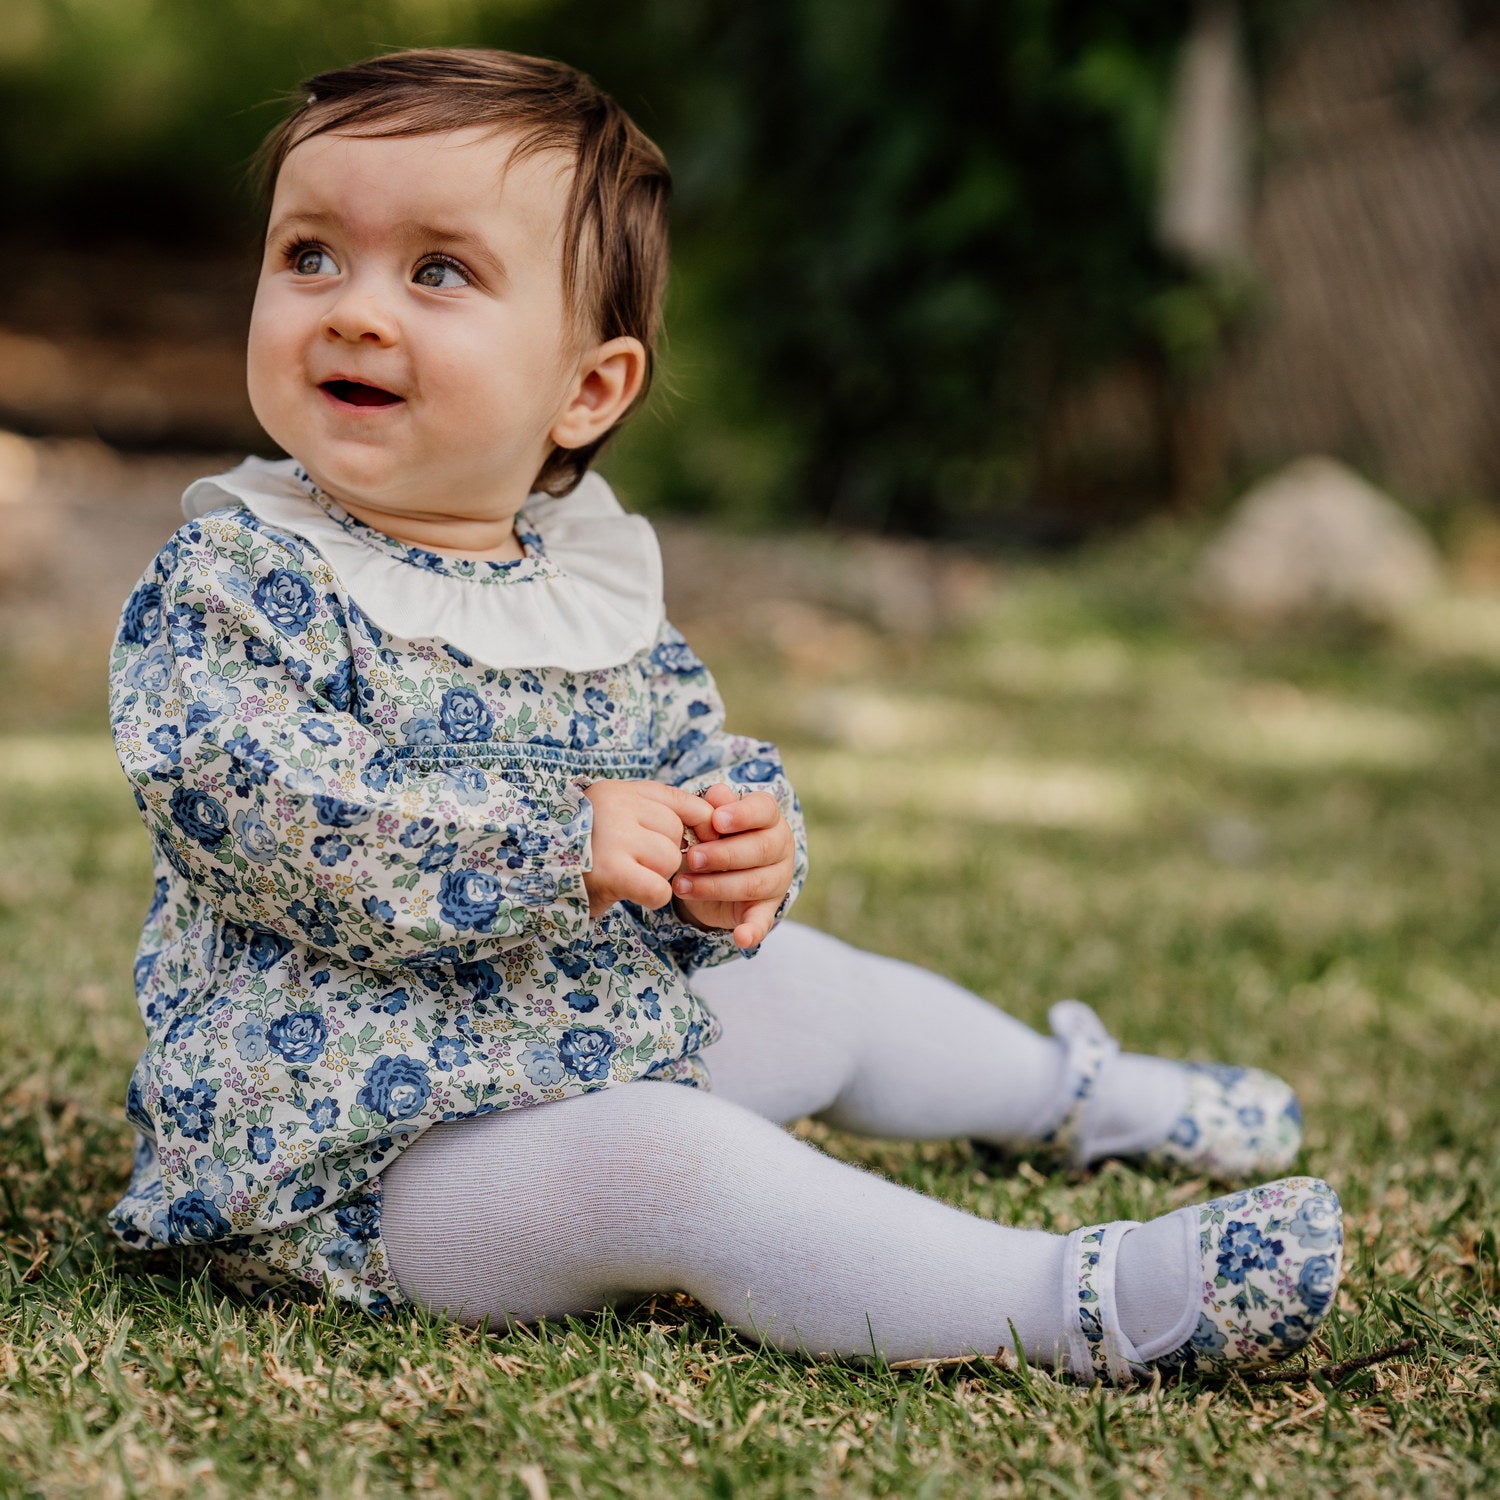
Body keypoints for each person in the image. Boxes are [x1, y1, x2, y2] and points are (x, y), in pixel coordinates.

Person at [106, 47, 1342, 1384]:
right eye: (309, 255)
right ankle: (1070, 1301)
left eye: (440, 272)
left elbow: (698, 752)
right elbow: (264, 808)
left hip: (564, 1034)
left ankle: (1077, 1094)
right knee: (666, 1162)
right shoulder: (241, 577)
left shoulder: (575, 582)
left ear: (588, 388)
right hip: (361, 1155)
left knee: (816, 985)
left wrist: (744, 846)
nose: (352, 311)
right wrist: (556, 841)